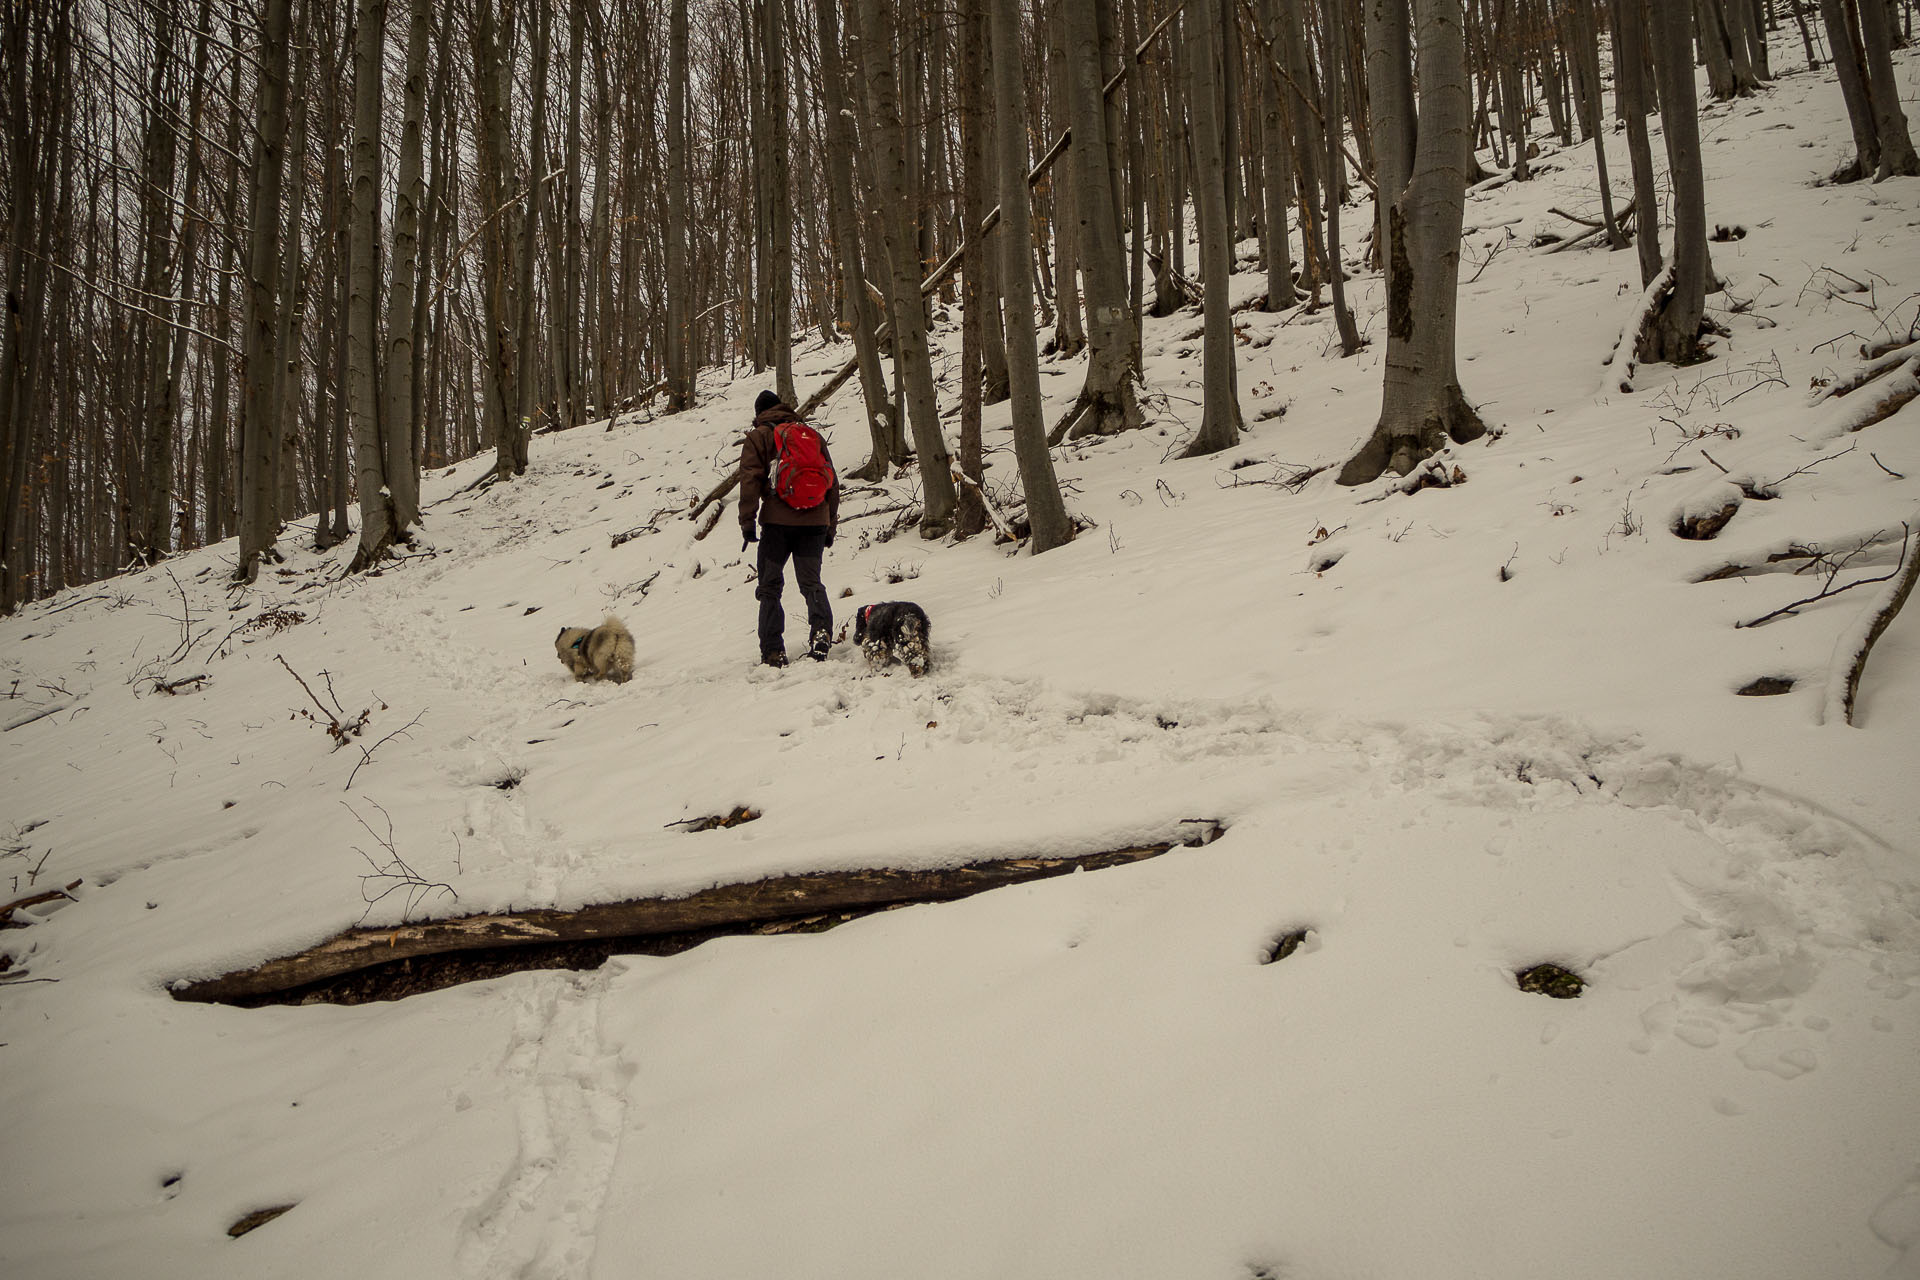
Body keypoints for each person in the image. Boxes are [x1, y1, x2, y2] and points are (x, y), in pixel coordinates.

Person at [739, 389, 839, 666]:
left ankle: (773, 650)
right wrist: (829, 524)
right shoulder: (810, 435)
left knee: (770, 587)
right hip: (815, 521)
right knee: (811, 583)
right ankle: (821, 633)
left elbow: (749, 480)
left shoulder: (758, 436)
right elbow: (832, 481)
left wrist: (747, 522)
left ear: (759, 413)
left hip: (777, 524)